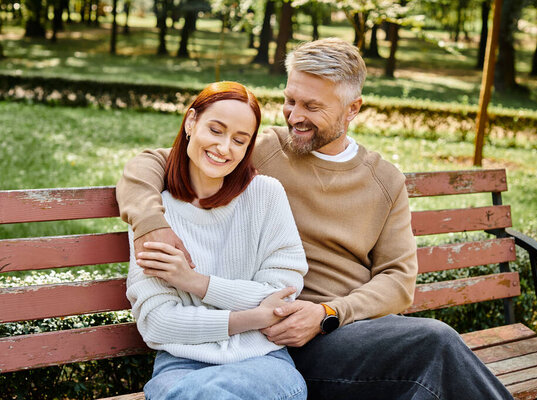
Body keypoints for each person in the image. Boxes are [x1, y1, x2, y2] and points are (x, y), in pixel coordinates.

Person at [118, 39, 513, 399]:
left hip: (340, 332)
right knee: (434, 351)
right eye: (290, 100)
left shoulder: (384, 179)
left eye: (312, 107)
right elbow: (153, 163)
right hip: (272, 337)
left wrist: (328, 315)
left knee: (433, 347)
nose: (294, 117)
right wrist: (153, 221)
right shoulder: (259, 148)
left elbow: (398, 281)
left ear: (352, 108)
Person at [124, 81, 308, 400]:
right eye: (216, 130)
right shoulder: (155, 215)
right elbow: (157, 322)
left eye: (239, 140)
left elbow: (283, 296)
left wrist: (194, 282)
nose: (224, 148)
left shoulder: (266, 196)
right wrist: (251, 317)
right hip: (181, 365)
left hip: (262, 361)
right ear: (191, 122)